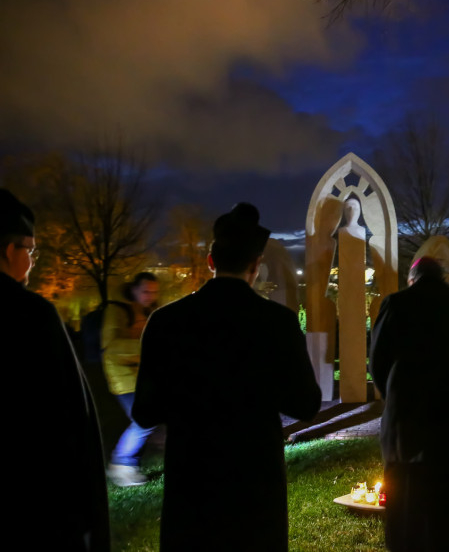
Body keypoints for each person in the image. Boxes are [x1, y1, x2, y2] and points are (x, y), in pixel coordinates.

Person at [132, 202, 322, 551]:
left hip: (191, 484)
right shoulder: (277, 322)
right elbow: (307, 404)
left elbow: (144, 411)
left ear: (211, 261)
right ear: (256, 265)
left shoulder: (166, 321)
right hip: (255, 487)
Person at [0, 188, 110, 551]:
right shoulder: (31, 315)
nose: (32, 262)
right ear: (9, 250)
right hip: (35, 505)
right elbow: (69, 416)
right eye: (30, 251)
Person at [369, 256, 449, 552]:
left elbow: (378, 361)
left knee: (410, 498)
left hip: (409, 420)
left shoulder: (396, 304)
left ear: (411, 279)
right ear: (442, 277)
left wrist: (396, 396)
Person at [102, 271, 160, 486]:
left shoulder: (147, 311)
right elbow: (110, 347)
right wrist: (148, 348)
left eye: (154, 292)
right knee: (143, 421)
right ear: (133, 289)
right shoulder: (117, 310)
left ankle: (126, 464)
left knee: (146, 419)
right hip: (123, 379)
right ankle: (121, 465)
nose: (150, 296)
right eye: (145, 291)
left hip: (141, 377)